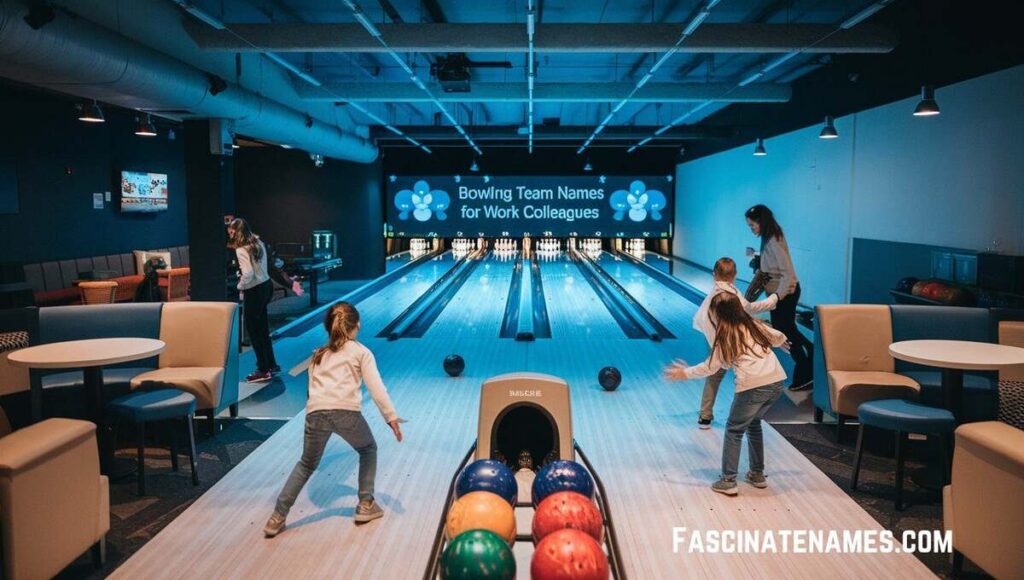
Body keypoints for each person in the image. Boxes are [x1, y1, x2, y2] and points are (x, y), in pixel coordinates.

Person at [264, 302, 404, 537]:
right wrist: (391, 417)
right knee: (368, 449)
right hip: (345, 412)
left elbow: (311, 391)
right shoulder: (361, 352)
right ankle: (366, 504)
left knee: (307, 464)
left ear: (328, 328)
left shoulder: (318, 354)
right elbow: (377, 389)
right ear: (357, 326)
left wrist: (316, 412)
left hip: (315, 412)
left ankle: (276, 517)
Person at [665, 292, 789, 496]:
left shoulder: (725, 338)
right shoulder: (753, 324)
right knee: (753, 423)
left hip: (753, 385)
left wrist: (683, 373)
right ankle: (757, 474)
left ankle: (728, 480)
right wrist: (782, 340)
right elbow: (775, 336)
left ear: (717, 316)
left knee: (734, 430)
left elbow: (710, 367)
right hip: (776, 381)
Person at [693, 257, 779, 429]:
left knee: (714, 375)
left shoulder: (715, 292)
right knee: (743, 372)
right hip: (731, 338)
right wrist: (773, 299)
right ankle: (744, 414)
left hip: (716, 338)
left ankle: (705, 416)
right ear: (735, 275)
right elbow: (750, 309)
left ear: (713, 275)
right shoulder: (733, 293)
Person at [743, 204, 814, 390]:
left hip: (786, 293)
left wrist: (776, 297)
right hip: (780, 293)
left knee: (784, 331)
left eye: (752, 226)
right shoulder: (768, 237)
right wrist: (757, 256)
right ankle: (810, 352)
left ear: (761, 222)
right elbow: (772, 260)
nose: (751, 229)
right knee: (786, 329)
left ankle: (805, 370)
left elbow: (788, 274)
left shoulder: (773, 239)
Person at [227, 217, 278, 383]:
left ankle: (263, 369)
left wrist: (240, 286)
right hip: (266, 287)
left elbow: (248, 273)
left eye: (231, 231)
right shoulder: (258, 243)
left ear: (237, 231)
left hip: (254, 291)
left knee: (254, 331)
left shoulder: (241, 249)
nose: (230, 234)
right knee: (263, 328)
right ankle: (271, 364)